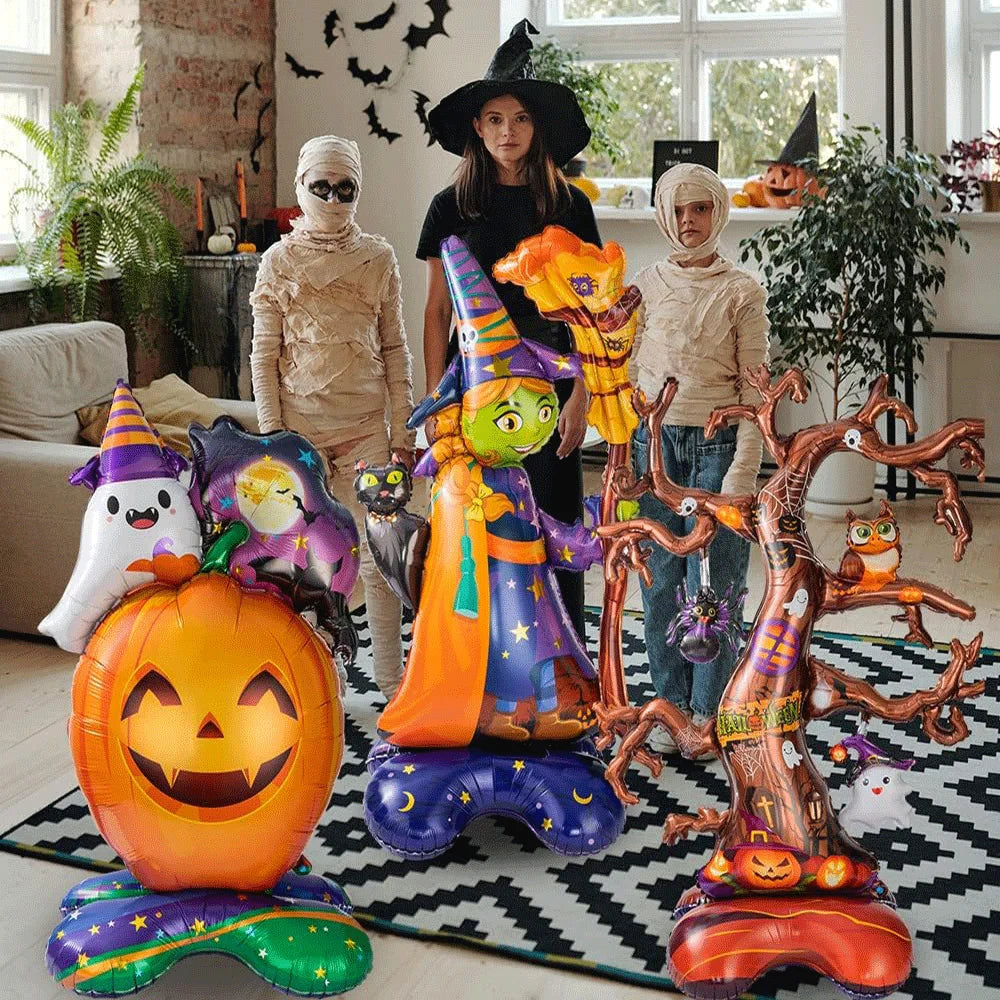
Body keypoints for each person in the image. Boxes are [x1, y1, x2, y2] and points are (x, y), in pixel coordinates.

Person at [417, 18, 601, 641]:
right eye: (495, 119)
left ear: (536, 127)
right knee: (480, 517)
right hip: (474, 384)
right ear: (477, 126)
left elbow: (592, 309)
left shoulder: (570, 206)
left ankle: (564, 657)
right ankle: (483, 657)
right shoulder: (450, 207)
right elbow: (436, 310)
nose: (507, 131)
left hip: (552, 381)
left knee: (554, 516)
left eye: (519, 119)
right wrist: (436, 401)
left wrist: (583, 394)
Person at [249, 135, 415, 700]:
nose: (333, 199)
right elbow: (263, 356)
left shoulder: (378, 258)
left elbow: (394, 348)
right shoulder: (278, 262)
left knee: (381, 555)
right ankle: (320, 674)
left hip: (368, 431)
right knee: (307, 559)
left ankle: (392, 681)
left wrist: (403, 430)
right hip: (300, 434)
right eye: (321, 187)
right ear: (301, 187)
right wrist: (273, 438)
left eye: (346, 188)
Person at [629, 162, 770, 746]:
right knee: (660, 580)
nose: (689, 220)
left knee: (713, 584)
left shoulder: (742, 291)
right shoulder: (644, 286)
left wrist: (742, 472)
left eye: (701, 208)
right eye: (678, 209)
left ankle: (710, 711)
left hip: (718, 448)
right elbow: (626, 373)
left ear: (719, 211)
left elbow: (756, 394)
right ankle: (670, 703)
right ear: (665, 215)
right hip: (654, 448)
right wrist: (624, 450)